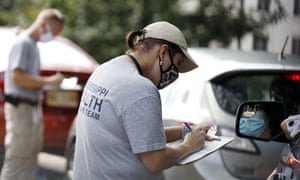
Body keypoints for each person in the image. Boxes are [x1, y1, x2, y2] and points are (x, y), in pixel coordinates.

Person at [73, 21, 211, 180]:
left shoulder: (105, 70)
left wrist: (187, 131)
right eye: (177, 64)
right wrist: (188, 146)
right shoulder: (141, 89)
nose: (175, 74)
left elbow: (140, 136)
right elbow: (155, 160)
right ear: (163, 52)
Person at [1, 9, 65, 180]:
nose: (52, 37)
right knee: (17, 159)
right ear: (44, 24)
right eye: (54, 32)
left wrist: (45, 86)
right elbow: (18, 77)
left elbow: (28, 80)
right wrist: (49, 81)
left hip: (31, 108)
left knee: (29, 157)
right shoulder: (23, 43)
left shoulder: (32, 45)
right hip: (21, 108)